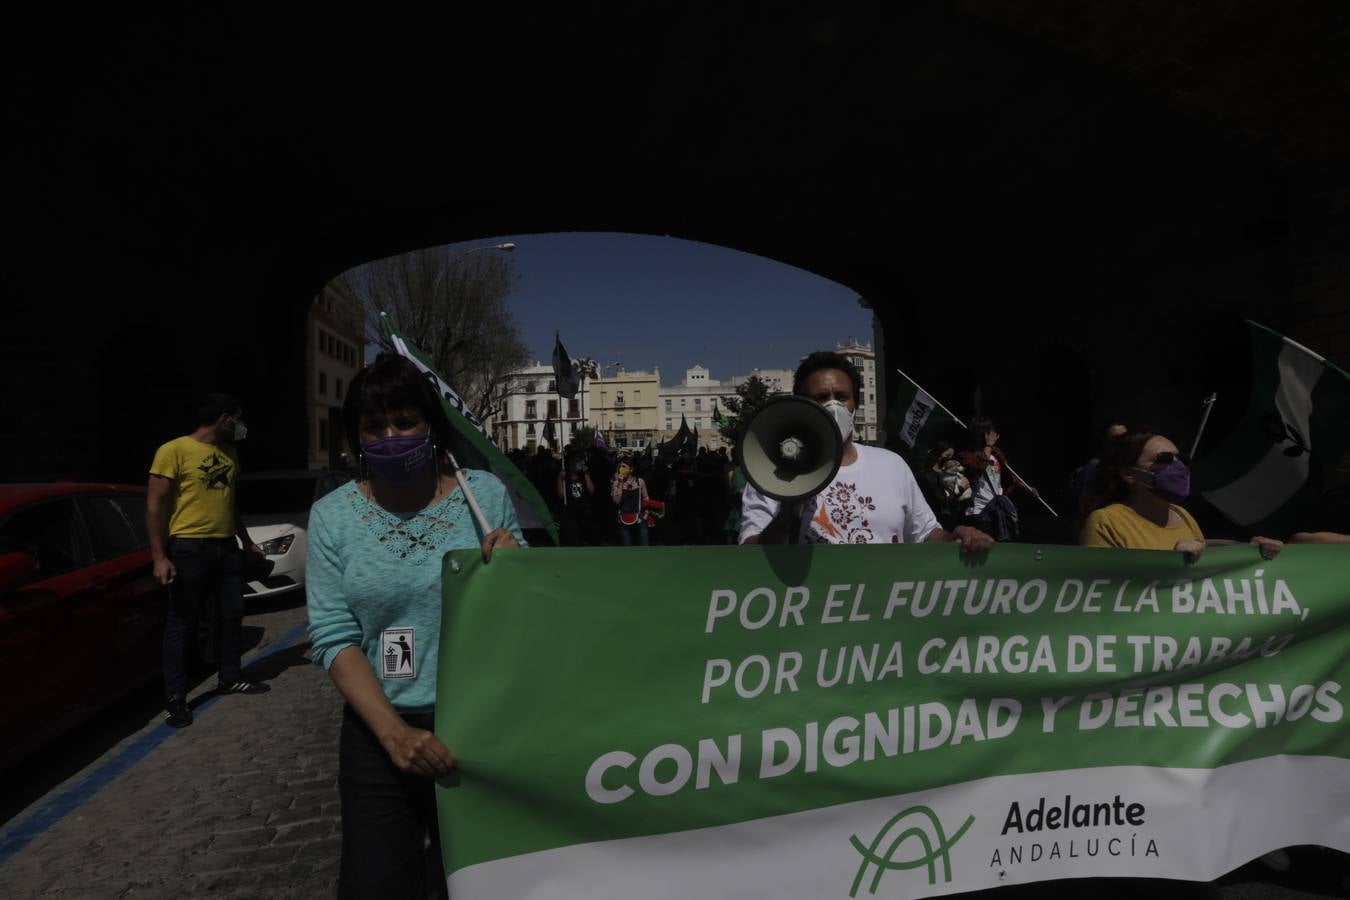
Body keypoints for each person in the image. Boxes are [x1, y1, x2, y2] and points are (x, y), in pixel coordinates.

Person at [305, 353, 525, 899]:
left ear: (431, 424)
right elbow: (335, 636)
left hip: (480, 726)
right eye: (374, 426)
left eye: (405, 421)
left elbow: (524, 618)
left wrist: (521, 572)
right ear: (355, 437)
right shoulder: (332, 517)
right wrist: (394, 734)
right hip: (382, 735)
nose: (391, 436)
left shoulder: (485, 497)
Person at [739, 352, 993, 552]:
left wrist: (956, 536)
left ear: (855, 405)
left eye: (842, 396)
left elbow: (925, 534)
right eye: (820, 398)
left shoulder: (892, 466)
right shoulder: (774, 474)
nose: (833, 405)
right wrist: (787, 514)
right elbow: (749, 555)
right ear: (801, 404)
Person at [147, 392, 271, 730]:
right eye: (238, 418)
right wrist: (159, 556)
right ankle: (176, 699)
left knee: (232, 614)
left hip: (225, 547)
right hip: (188, 548)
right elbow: (155, 506)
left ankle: (230, 677)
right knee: (182, 622)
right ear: (225, 418)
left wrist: (246, 542)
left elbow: (230, 504)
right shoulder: (173, 450)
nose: (241, 425)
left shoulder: (229, 453)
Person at [1078, 429, 1283, 562]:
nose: (1177, 467)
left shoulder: (1183, 515)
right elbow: (1101, 592)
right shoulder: (1106, 522)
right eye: (1164, 459)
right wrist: (1170, 563)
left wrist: (1253, 554)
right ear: (1128, 473)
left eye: (1180, 459)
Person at [958, 416, 1035, 542]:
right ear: (983, 434)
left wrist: (1026, 487)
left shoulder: (996, 453)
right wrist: (988, 445)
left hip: (997, 509)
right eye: (990, 432)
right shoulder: (967, 455)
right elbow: (979, 466)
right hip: (979, 512)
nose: (994, 435)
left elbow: (1009, 473)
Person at [1068, 419, 1129, 518]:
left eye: (1125, 437)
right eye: (1115, 438)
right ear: (1105, 441)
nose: (1122, 441)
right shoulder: (1093, 469)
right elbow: (1084, 508)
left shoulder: (1126, 467)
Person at [917, 440, 971, 532]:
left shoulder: (948, 474)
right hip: (936, 521)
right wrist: (962, 488)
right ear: (938, 454)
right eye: (947, 456)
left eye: (952, 456)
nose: (950, 459)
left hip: (951, 519)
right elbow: (943, 500)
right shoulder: (928, 475)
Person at [557, 446, 596, 545]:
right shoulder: (565, 477)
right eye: (576, 461)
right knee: (573, 538)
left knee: (583, 536)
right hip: (570, 511)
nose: (578, 464)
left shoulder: (584, 476)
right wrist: (559, 480)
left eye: (580, 461)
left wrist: (587, 474)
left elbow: (591, 490)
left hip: (583, 511)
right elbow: (561, 495)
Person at [611, 454, 650, 545]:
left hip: (639, 518)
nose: (621, 469)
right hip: (624, 519)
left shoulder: (640, 482)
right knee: (627, 547)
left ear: (631, 469)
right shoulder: (616, 483)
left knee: (644, 545)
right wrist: (620, 483)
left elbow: (646, 498)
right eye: (620, 466)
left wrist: (647, 513)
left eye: (624, 467)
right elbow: (616, 500)